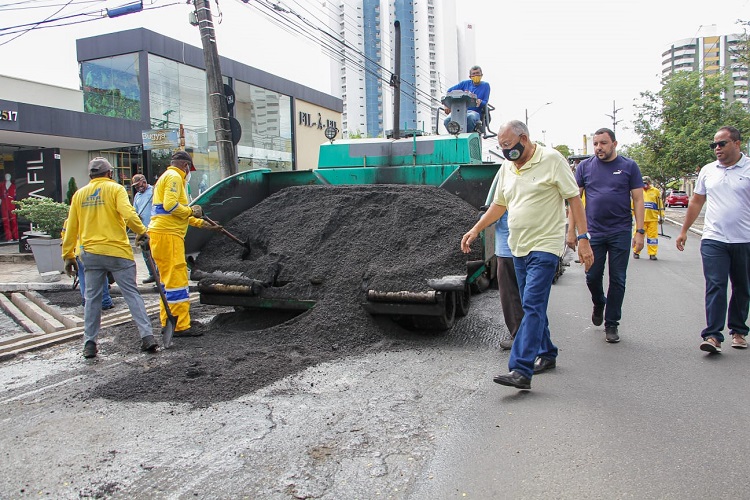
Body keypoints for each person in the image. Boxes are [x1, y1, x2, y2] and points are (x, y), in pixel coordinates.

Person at [461, 120, 593, 390]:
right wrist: (476, 230)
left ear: (524, 138)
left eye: (509, 145)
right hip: (517, 246)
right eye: (502, 147)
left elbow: (574, 200)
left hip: (545, 246)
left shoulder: (553, 160)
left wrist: (582, 238)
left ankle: (521, 368)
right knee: (531, 305)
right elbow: (499, 205)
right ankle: (548, 352)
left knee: (532, 305)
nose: (506, 151)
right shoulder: (508, 167)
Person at [61, 158, 156, 359]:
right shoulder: (116, 190)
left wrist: (68, 255)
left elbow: (71, 228)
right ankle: (147, 336)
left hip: (91, 254)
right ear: (110, 174)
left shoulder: (79, 195)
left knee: (92, 298)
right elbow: (129, 215)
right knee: (131, 294)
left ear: (90, 176)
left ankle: (89, 343)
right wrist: (141, 231)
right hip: (117, 253)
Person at [676, 126, 750, 353]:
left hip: (744, 239)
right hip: (713, 238)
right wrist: (684, 230)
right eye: (714, 145)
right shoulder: (708, 170)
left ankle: (738, 330)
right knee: (716, 284)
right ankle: (712, 336)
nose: (717, 148)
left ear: (737, 143)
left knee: (743, 287)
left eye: (722, 144)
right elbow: (697, 202)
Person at [571, 128, 644, 344]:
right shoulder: (584, 167)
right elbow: (575, 200)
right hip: (593, 232)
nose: (598, 147)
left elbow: (638, 200)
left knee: (618, 279)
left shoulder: (629, 166)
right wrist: (573, 232)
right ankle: (598, 301)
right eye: (595, 144)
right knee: (592, 276)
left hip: (620, 231)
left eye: (603, 143)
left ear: (614, 143)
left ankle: (612, 323)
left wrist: (640, 231)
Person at [148, 151, 222, 337]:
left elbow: (176, 214)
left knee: (168, 282)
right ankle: (180, 326)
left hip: (162, 234)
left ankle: (169, 321)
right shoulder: (174, 177)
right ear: (186, 166)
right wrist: (190, 210)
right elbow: (170, 206)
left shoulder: (167, 177)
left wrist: (202, 223)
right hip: (168, 235)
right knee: (177, 282)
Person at [61, 219, 114, 310]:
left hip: (79, 252)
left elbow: (65, 237)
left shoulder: (69, 221)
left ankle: (86, 301)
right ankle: (105, 301)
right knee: (102, 276)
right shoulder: (93, 217)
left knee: (83, 277)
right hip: (96, 251)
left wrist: (69, 253)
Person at [495, 210, 523, 351]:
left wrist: (480, 219)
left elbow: (493, 217)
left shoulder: (506, 190)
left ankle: (519, 336)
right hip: (524, 249)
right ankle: (529, 335)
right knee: (524, 294)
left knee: (510, 295)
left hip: (507, 251)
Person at [443, 65, 490, 134]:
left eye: (477, 73)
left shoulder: (485, 85)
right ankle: (453, 135)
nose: (476, 75)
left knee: (470, 118)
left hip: (475, 112)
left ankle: (467, 135)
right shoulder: (465, 84)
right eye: (473, 74)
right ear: (470, 76)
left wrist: (480, 102)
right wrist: (446, 105)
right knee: (447, 120)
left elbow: (485, 101)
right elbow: (449, 91)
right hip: (460, 111)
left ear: (481, 75)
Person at [131, 173, 156, 284]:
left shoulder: (153, 191)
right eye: (135, 186)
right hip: (143, 229)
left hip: (155, 228)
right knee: (146, 254)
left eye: (138, 185)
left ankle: (159, 274)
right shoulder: (137, 196)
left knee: (156, 253)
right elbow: (134, 211)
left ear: (144, 181)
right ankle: (152, 274)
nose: (137, 187)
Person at [633, 176, 663, 260]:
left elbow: (660, 205)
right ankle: (636, 251)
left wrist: (661, 216)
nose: (645, 184)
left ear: (649, 183)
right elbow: (633, 204)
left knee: (652, 238)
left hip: (652, 218)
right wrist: (631, 216)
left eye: (647, 183)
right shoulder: (638, 191)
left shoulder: (656, 191)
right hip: (641, 220)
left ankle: (652, 253)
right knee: (638, 236)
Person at [0, 173, 19, 241]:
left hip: (12, 204)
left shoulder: (14, 186)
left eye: (8, 176)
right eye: (6, 176)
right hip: (4, 204)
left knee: (14, 220)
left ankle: (16, 236)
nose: (7, 177)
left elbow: (16, 196)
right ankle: (9, 237)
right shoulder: (1, 185)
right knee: (5, 221)